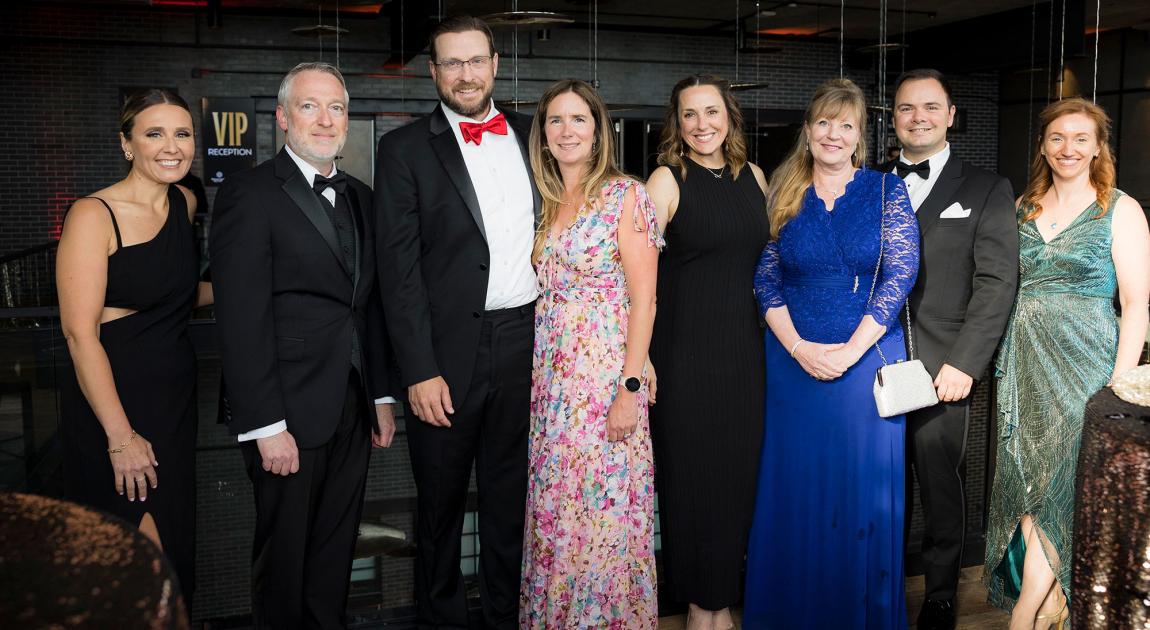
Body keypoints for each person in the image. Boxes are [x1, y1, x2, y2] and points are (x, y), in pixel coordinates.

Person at [210, 62, 398, 629]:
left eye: (336, 107)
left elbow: (369, 309)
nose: (325, 119)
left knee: (334, 555)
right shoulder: (249, 193)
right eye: (310, 106)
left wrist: (382, 395)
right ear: (283, 118)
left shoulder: (362, 197)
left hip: (351, 404)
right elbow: (241, 319)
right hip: (285, 413)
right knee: (285, 560)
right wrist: (266, 426)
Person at [373, 16, 538, 629]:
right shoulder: (403, 149)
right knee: (439, 513)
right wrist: (417, 369)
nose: (466, 74)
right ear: (434, 71)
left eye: (476, 61)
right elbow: (399, 272)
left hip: (525, 344)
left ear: (495, 64)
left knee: (510, 507)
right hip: (443, 357)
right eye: (452, 63)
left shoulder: (534, 135)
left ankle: (505, 619)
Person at [743, 77, 919, 629]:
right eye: (824, 122)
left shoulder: (887, 191)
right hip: (791, 365)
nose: (833, 134)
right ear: (808, 130)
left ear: (860, 136)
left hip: (863, 364)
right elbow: (764, 277)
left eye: (847, 125)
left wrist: (847, 352)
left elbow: (901, 274)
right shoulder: (783, 189)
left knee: (859, 492)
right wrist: (797, 347)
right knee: (794, 491)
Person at [984, 97, 1149, 630]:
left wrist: (1116, 387)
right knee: (1033, 489)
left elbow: (1136, 304)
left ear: (1099, 147)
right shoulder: (1021, 206)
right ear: (1043, 145)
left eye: (1081, 138)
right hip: (1025, 367)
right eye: (1057, 137)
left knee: (1063, 488)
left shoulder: (1119, 209)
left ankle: (1026, 613)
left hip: (1089, 367)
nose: (1068, 148)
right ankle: (1050, 605)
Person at [518, 79, 662, 628]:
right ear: (544, 135)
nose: (567, 130)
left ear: (599, 130)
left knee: (602, 523)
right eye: (556, 120)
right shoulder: (547, 200)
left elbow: (645, 300)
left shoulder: (626, 196)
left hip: (604, 388)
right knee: (558, 519)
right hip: (552, 392)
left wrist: (629, 388)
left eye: (579, 119)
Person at [56, 88, 210, 600]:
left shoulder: (184, 202)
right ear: (127, 145)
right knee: (135, 569)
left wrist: (270, 283)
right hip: (115, 407)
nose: (172, 146)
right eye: (154, 133)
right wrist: (120, 438)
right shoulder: (92, 214)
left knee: (173, 558)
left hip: (175, 404)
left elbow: (178, 293)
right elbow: (80, 335)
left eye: (182, 133)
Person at [884, 68, 1019, 630]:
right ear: (893, 118)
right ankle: (881, 589)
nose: (919, 117)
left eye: (930, 107)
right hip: (876, 359)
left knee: (940, 486)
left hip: (946, 365)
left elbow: (997, 282)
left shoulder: (986, 188)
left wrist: (966, 361)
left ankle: (940, 596)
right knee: (883, 486)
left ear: (950, 115)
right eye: (907, 108)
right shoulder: (870, 182)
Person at [645, 74, 769, 630]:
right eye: (690, 114)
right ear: (678, 123)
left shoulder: (756, 177)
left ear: (729, 118)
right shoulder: (665, 181)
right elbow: (636, 281)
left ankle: (721, 606)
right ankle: (701, 611)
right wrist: (640, 357)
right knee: (692, 484)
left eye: (711, 112)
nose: (702, 125)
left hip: (746, 356)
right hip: (685, 358)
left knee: (736, 482)